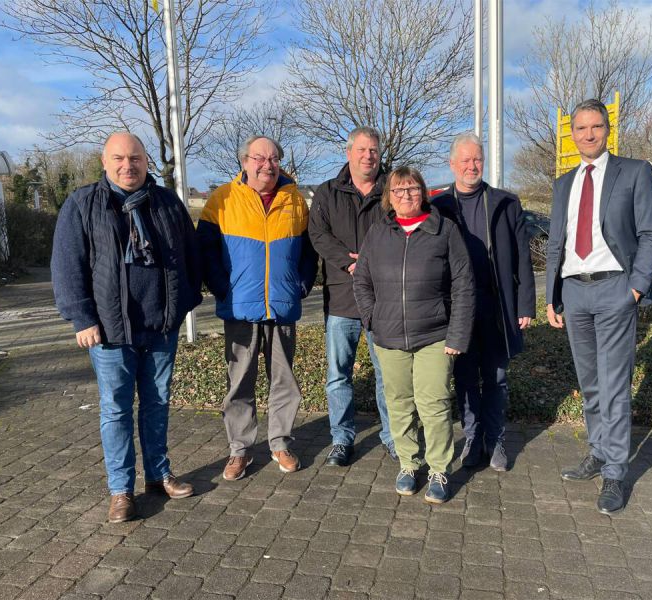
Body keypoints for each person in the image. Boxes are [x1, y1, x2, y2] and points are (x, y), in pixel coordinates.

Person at [52, 132, 202, 523]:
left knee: (157, 404)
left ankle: (158, 475)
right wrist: (82, 317)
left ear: (146, 161)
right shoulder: (83, 204)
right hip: (109, 331)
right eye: (118, 158)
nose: (127, 166)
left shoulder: (167, 203)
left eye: (135, 158)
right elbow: (67, 265)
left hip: (160, 326)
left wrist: (183, 304)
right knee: (116, 410)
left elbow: (189, 254)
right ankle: (121, 490)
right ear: (104, 162)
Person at [545, 99, 652, 514]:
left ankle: (615, 471)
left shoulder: (634, 172)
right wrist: (552, 295)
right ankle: (598, 451)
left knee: (614, 385)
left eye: (595, 126)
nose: (588, 134)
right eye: (581, 128)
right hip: (574, 292)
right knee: (590, 381)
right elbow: (556, 242)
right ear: (572, 133)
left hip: (615, 289)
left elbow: (650, 234)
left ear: (607, 129)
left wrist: (636, 288)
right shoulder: (563, 184)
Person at [196, 136, 317, 481]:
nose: (268, 165)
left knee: (284, 381)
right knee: (240, 382)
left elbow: (310, 251)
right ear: (245, 162)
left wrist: (301, 286)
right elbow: (205, 252)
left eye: (274, 158)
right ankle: (240, 450)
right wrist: (223, 289)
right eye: (259, 158)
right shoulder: (222, 200)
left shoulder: (296, 200)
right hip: (239, 309)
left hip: (282, 306)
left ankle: (280, 443)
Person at [354, 166, 475, 503]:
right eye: (398, 190)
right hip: (389, 336)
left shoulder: (444, 230)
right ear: (388, 198)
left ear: (423, 193)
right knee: (398, 404)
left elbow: (463, 285)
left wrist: (457, 335)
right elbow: (361, 280)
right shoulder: (378, 233)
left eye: (412, 189)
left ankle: (439, 469)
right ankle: (409, 463)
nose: (405, 195)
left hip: (434, 336)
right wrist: (372, 319)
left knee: (433, 404)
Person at [432, 132, 536, 472]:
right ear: (452, 164)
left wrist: (525, 304)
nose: (472, 166)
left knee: (496, 378)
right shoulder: (438, 208)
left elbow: (522, 258)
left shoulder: (505, 203)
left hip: (497, 306)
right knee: (464, 379)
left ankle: (495, 438)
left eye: (477, 159)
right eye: (465, 160)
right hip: (458, 310)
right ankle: (472, 438)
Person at [309, 127, 396, 467]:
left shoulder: (392, 189)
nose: (368, 156)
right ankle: (342, 439)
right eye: (361, 150)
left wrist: (373, 262)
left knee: (387, 375)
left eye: (373, 150)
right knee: (338, 375)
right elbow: (318, 234)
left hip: (384, 299)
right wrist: (348, 262)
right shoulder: (328, 192)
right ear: (349, 153)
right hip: (342, 298)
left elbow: (403, 230)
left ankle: (392, 436)